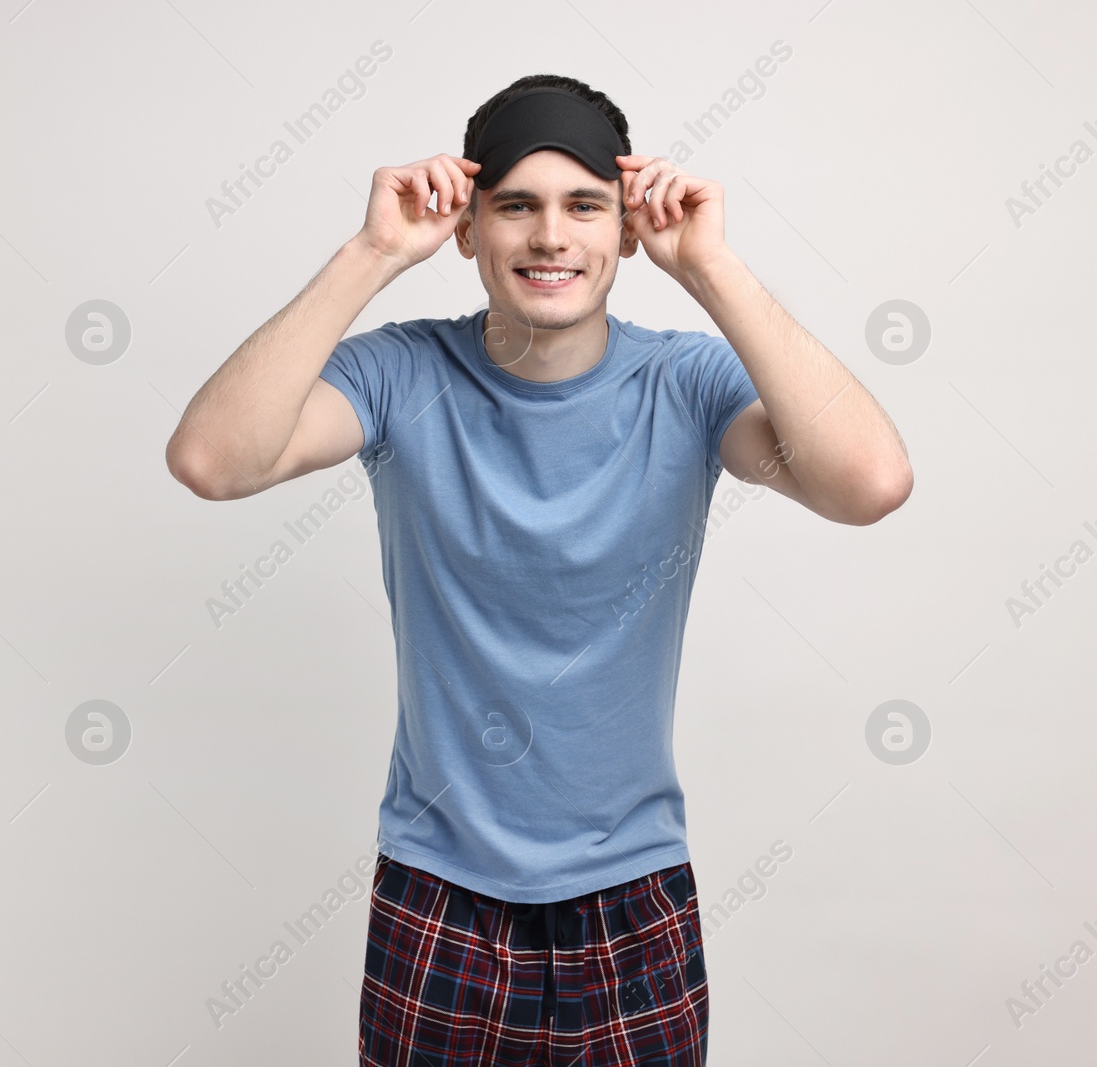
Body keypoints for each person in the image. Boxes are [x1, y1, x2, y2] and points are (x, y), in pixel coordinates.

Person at [165, 73, 911, 1066]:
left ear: (627, 229)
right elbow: (213, 460)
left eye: (584, 206)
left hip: (633, 896)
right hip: (438, 893)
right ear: (468, 228)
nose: (550, 236)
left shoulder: (683, 382)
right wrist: (373, 252)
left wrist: (713, 266)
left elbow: (869, 481)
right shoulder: (400, 372)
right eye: (515, 205)